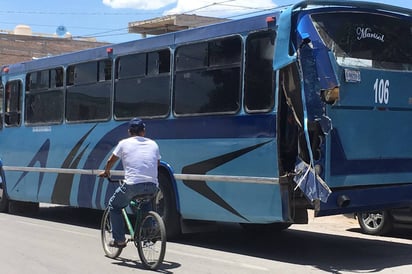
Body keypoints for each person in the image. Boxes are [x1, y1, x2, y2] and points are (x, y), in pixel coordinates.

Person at [99, 117, 160, 247]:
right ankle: (150, 230)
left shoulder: (124, 143)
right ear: (143, 131)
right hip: (153, 185)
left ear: (129, 131)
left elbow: (111, 160)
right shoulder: (153, 144)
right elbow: (157, 163)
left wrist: (106, 172)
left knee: (114, 206)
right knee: (145, 201)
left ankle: (119, 239)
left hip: (133, 185)